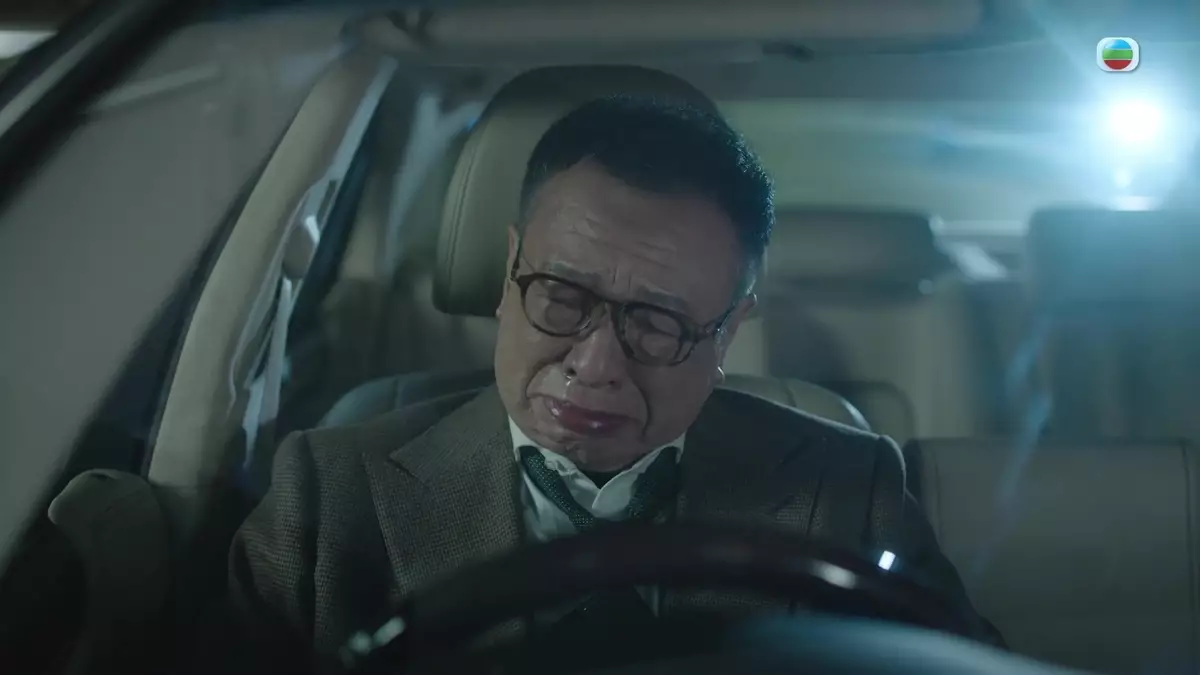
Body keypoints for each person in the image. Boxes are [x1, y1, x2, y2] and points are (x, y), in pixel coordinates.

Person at [227, 95, 1001, 668]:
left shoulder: (847, 491)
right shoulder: (327, 495)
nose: (595, 365)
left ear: (730, 329)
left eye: (658, 323)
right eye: (561, 296)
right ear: (509, 270)